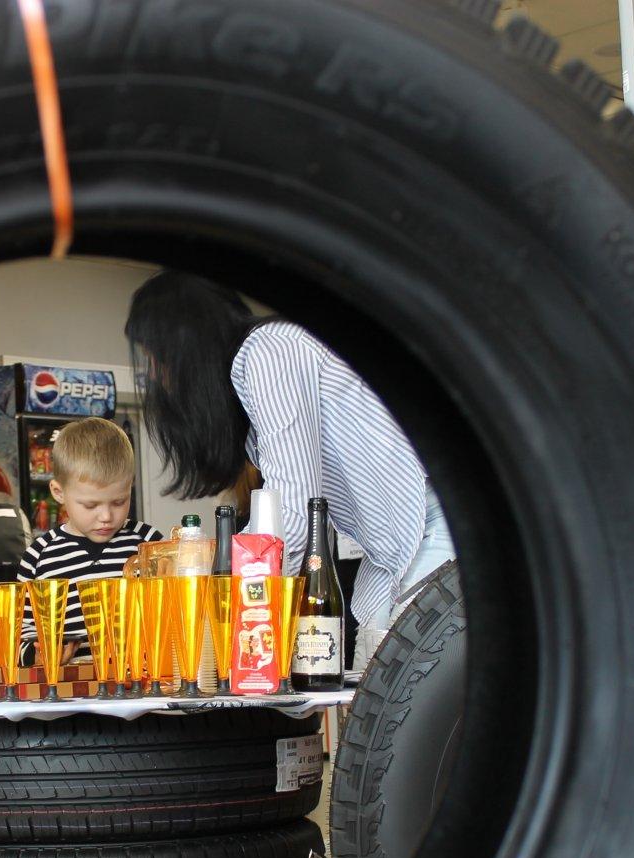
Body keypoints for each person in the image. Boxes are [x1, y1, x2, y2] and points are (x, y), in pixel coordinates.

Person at [125, 271, 453, 669]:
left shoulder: (268, 351)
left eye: (158, 359)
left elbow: (293, 516)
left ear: (182, 346)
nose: (158, 376)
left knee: (413, 699)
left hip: (438, 521)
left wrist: (216, 600)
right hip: (401, 544)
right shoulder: (256, 390)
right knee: (387, 697)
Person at [17, 417, 162, 658]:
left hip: (140, 685)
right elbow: (21, 632)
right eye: (90, 505)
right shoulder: (38, 557)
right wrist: (38, 655)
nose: (106, 516)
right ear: (58, 492)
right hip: (67, 689)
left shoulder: (150, 544)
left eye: (119, 501)